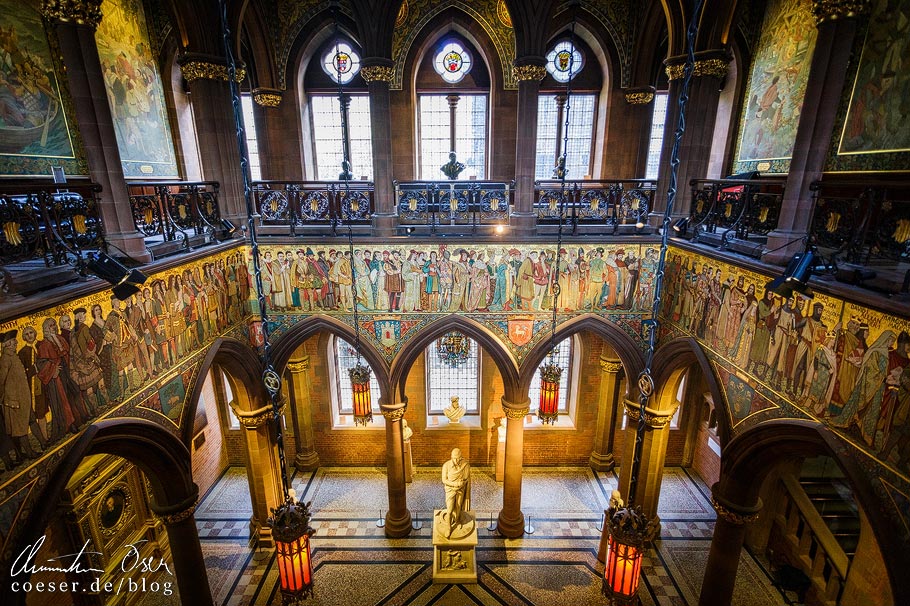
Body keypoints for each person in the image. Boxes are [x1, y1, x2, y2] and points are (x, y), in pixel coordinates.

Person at [441, 448, 471, 538]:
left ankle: (457, 521)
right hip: (450, 490)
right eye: (454, 458)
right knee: (449, 509)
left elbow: (466, 479)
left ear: (461, 457)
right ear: (451, 457)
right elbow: (444, 480)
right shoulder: (446, 465)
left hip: (460, 489)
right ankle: (448, 526)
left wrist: (461, 484)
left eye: (458, 458)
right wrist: (455, 484)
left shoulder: (465, 465)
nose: (456, 460)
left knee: (458, 506)